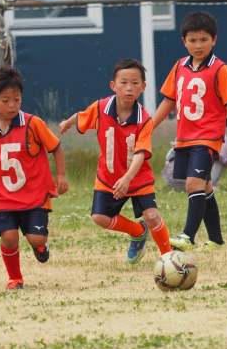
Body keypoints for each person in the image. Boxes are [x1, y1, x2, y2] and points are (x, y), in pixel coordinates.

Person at [59, 58, 172, 263]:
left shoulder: (145, 120)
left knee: (152, 215)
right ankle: (138, 232)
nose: (129, 88)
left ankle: (169, 259)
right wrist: (67, 122)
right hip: (108, 177)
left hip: (137, 178)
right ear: (113, 85)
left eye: (135, 83)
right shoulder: (101, 108)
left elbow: (140, 153)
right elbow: (82, 115)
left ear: (143, 87)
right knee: (99, 218)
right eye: (124, 82)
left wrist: (128, 178)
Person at [0, 66, 68, 290]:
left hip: (34, 196)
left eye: (17, 99)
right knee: (9, 237)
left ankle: (41, 247)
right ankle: (15, 278)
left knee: (36, 239)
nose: (12, 105)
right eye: (5, 100)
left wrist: (60, 175)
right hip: (1, 199)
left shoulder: (33, 124)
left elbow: (56, 147)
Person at [153, 11, 227, 252]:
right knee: (205, 187)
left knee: (193, 185)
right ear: (184, 42)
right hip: (184, 138)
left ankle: (187, 236)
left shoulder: (221, 69)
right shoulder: (179, 66)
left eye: (204, 39)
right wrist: (148, 127)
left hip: (208, 138)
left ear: (214, 39)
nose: (198, 45)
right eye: (192, 40)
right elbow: (168, 101)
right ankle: (216, 240)